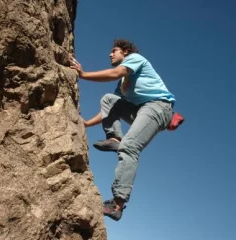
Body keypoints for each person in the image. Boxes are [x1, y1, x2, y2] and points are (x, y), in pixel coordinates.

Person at [70, 39, 178, 221]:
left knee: (129, 147)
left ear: (126, 52)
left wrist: (83, 74)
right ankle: (114, 138)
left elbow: (115, 72)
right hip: (141, 110)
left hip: (158, 107)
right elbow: (109, 109)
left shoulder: (135, 59)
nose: (110, 54)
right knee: (108, 99)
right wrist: (87, 123)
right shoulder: (122, 84)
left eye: (114, 51)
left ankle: (117, 204)